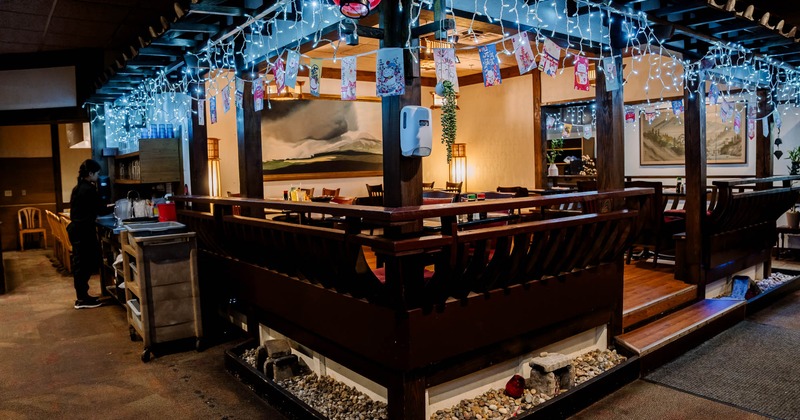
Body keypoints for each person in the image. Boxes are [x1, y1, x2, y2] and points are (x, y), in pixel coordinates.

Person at [67, 159, 111, 309]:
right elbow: (100, 209)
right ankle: (82, 299)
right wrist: (115, 207)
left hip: (76, 230)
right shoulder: (89, 189)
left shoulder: (78, 188)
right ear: (91, 173)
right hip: (83, 231)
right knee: (84, 265)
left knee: (81, 264)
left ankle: (82, 296)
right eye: (97, 173)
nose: (98, 176)